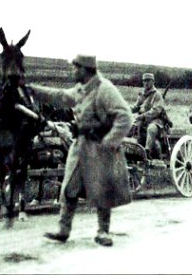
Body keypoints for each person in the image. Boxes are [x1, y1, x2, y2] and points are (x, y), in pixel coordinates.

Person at [28, 54, 132, 247]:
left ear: (86, 69)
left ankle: (103, 231)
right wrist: (33, 90)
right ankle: (63, 230)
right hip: (80, 145)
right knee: (69, 187)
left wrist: (110, 141)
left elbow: (125, 116)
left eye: (76, 68)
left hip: (99, 146)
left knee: (102, 190)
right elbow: (60, 97)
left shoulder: (105, 89)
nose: (73, 71)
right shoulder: (81, 89)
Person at [131, 73, 168, 160]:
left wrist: (143, 116)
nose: (146, 83)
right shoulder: (142, 94)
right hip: (143, 121)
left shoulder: (157, 95)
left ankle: (147, 152)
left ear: (153, 82)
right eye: (144, 81)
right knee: (130, 127)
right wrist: (126, 109)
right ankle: (130, 149)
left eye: (148, 81)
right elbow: (136, 107)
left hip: (156, 121)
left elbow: (156, 110)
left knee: (151, 129)